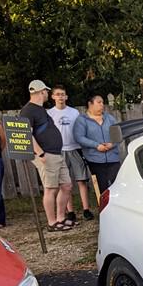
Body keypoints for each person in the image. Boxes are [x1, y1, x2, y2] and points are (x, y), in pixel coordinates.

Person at [20, 80, 73, 232]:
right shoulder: (28, 110)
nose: (47, 95)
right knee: (50, 188)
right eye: (46, 92)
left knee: (66, 185)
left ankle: (61, 217)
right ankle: (52, 222)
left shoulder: (40, 109)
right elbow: (27, 134)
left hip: (56, 153)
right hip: (46, 154)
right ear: (41, 91)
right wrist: (40, 152)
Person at [49, 85, 94, 220]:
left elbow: (81, 129)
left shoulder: (74, 112)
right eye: (57, 94)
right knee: (65, 183)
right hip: (59, 150)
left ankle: (86, 209)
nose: (60, 97)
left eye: (62, 94)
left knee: (81, 180)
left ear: (66, 96)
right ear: (53, 97)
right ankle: (70, 211)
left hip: (75, 148)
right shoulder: (50, 113)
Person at [73, 93, 120, 192]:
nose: (102, 104)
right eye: (99, 102)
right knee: (101, 187)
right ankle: (103, 206)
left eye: (102, 102)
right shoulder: (82, 120)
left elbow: (118, 136)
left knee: (117, 185)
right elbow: (79, 137)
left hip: (113, 158)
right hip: (95, 159)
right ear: (90, 104)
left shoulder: (110, 118)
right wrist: (96, 145)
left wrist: (112, 144)